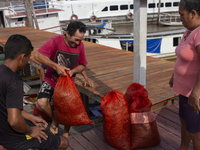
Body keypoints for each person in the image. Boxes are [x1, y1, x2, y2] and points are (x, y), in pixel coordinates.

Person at [0, 34, 68, 150]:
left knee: (36, 118)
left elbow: (7, 108)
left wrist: (30, 117)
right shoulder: (14, 80)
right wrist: (31, 130)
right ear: (22, 57)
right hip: (12, 141)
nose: (27, 61)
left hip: (2, 132)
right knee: (63, 142)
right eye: (28, 57)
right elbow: (14, 121)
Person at [34, 21, 89, 136]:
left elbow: (83, 65)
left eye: (81, 39)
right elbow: (37, 56)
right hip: (51, 80)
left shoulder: (80, 46)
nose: (78, 42)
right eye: (76, 39)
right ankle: (55, 120)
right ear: (67, 33)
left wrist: (73, 71)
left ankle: (65, 133)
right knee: (42, 102)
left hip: (68, 84)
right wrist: (55, 66)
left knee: (67, 109)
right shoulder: (55, 41)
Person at [169, 0, 200, 149]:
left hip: (193, 94)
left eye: (182, 15)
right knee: (184, 122)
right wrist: (174, 75)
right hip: (184, 90)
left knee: (195, 132)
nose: (180, 18)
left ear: (193, 13)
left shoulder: (199, 33)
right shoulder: (189, 31)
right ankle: (183, 148)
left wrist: (196, 92)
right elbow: (183, 57)